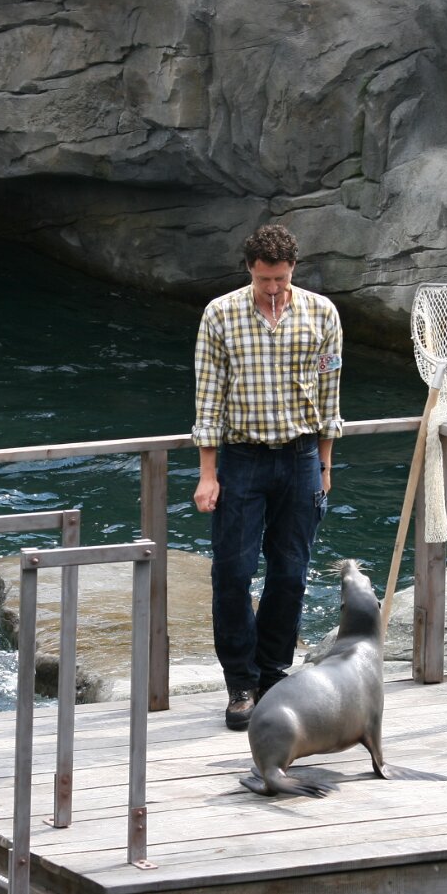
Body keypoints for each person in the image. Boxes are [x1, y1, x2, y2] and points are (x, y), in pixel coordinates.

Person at [192, 223, 344, 730]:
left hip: (301, 457)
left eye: (280, 279)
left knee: (291, 571)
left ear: (293, 269)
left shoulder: (323, 313)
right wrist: (208, 474)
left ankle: (274, 675)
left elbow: (329, 392)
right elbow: (208, 397)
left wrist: (324, 466)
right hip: (242, 458)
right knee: (232, 572)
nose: (273, 289)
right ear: (249, 271)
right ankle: (241, 682)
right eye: (264, 280)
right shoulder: (220, 314)